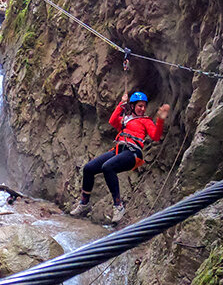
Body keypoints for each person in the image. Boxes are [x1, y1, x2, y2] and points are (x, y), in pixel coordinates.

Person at [71, 91, 171, 223]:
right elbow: (112, 121)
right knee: (89, 168)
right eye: (139, 106)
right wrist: (122, 104)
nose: (142, 109)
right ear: (133, 106)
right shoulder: (125, 119)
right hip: (118, 150)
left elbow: (156, 136)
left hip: (132, 153)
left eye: (144, 106)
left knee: (108, 167)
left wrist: (160, 120)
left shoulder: (145, 121)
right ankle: (84, 203)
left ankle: (118, 206)